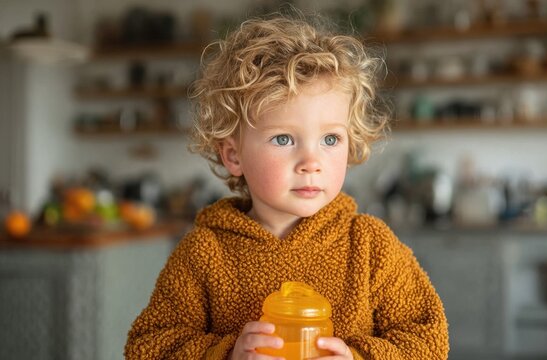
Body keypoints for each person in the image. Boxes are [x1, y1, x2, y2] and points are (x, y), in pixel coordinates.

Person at [125, 12, 448, 360]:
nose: (312, 161)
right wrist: (227, 354)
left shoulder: (371, 247)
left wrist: (359, 358)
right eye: (283, 139)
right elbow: (147, 347)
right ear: (234, 156)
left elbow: (429, 340)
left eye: (330, 139)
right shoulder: (204, 253)